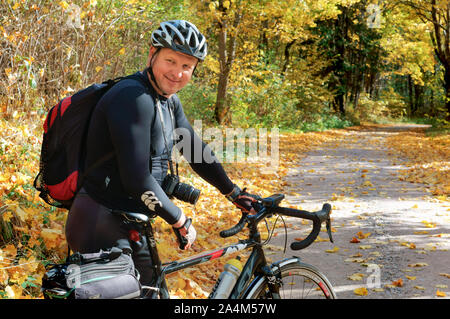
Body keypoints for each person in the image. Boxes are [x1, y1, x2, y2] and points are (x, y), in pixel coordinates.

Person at [64, 20, 259, 288]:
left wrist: (233, 192)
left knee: (153, 291)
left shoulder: (167, 101)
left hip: (129, 220)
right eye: (171, 61)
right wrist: (180, 220)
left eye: (186, 66)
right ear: (152, 54)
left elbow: (194, 150)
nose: (177, 73)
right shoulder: (133, 97)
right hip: (101, 222)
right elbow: (136, 178)